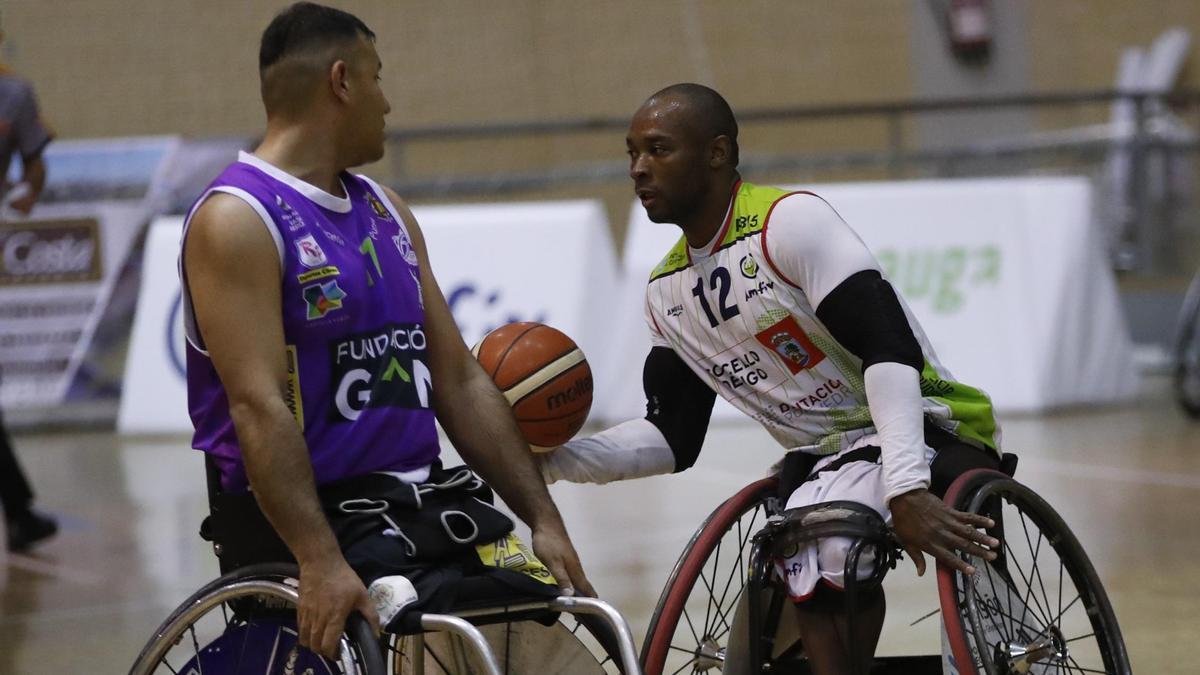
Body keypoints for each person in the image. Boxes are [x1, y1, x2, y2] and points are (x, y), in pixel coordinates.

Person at [539, 83, 1003, 674]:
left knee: (832, 535)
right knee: (800, 548)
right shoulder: (667, 291)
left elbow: (889, 348)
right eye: (632, 152)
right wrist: (553, 461)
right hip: (824, 463)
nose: (637, 169)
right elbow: (671, 436)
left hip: (928, 428)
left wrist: (907, 486)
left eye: (657, 150)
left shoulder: (790, 222)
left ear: (717, 153)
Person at [181, 2, 593, 660]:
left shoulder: (386, 209)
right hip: (310, 520)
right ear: (341, 82)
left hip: (419, 506)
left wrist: (544, 518)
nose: (388, 102)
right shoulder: (238, 219)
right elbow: (257, 405)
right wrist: (316, 557)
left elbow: (458, 380)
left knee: (560, 616)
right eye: (378, 77)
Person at [0, 18, 57, 552]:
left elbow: (36, 163)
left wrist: (25, 192)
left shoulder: (13, 93)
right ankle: (18, 510)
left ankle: (18, 510)